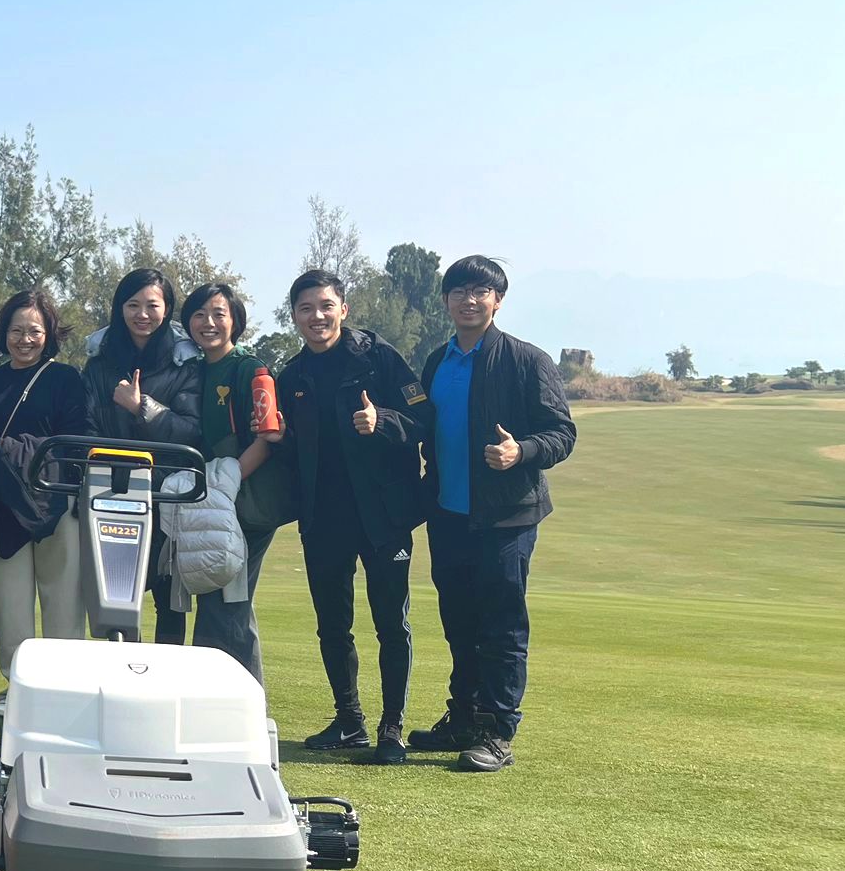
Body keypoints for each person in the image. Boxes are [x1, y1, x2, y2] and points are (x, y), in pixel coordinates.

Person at [412, 255, 577, 773]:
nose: (469, 300)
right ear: (446, 300)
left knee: (501, 628)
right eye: (459, 291)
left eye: (480, 291)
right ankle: (463, 718)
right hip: (448, 515)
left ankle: (498, 731)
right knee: (459, 624)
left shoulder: (527, 360)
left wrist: (520, 451)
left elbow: (562, 433)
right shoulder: (437, 362)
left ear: (498, 301)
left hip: (507, 517)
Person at [274, 269, 428, 764]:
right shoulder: (291, 377)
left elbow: (424, 418)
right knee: (332, 626)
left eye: (325, 306)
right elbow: (290, 452)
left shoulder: (378, 357)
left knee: (391, 624)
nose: (316, 316)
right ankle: (349, 721)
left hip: (384, 515)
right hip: (323, 519)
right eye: (305, 308)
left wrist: (382, 420)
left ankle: (391, 727)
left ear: (343, 308)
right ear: (294, 315)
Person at [0, 287, 90, 714]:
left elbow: (78, 440)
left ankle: (65, 692)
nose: (25, 339)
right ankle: (18, 689)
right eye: (16, 330)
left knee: (63, 600)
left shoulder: (66, 379)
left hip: (57, 505)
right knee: (9, 602)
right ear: (4, 332)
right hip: (2, 505)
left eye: (34, 331)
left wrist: (5, 447)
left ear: (49, 333)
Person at [165, 283, 287, 681]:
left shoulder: (249, 368)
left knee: (228, 605)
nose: (209, 322)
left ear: (235, 320)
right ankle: (217, 701)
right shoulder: (194, 369)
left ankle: (242, 703)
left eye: (219, 313)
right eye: (199, 314)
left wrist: (222, 487)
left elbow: (265, 440)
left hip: (245, 504)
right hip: (209, 502)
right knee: (218, 602)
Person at [81, 268, 206, 645]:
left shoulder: (186, 363)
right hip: (110, 491)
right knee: (115, 594)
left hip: (167, 494)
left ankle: (166, 678)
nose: (142, 314)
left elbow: (191, 431)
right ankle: (121, 671)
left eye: (152, 305)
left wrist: (142, 407)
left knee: (169, 598)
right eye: (132, 305)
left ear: (167, 309)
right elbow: (85, 425)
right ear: (119, 308)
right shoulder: (99, 363)